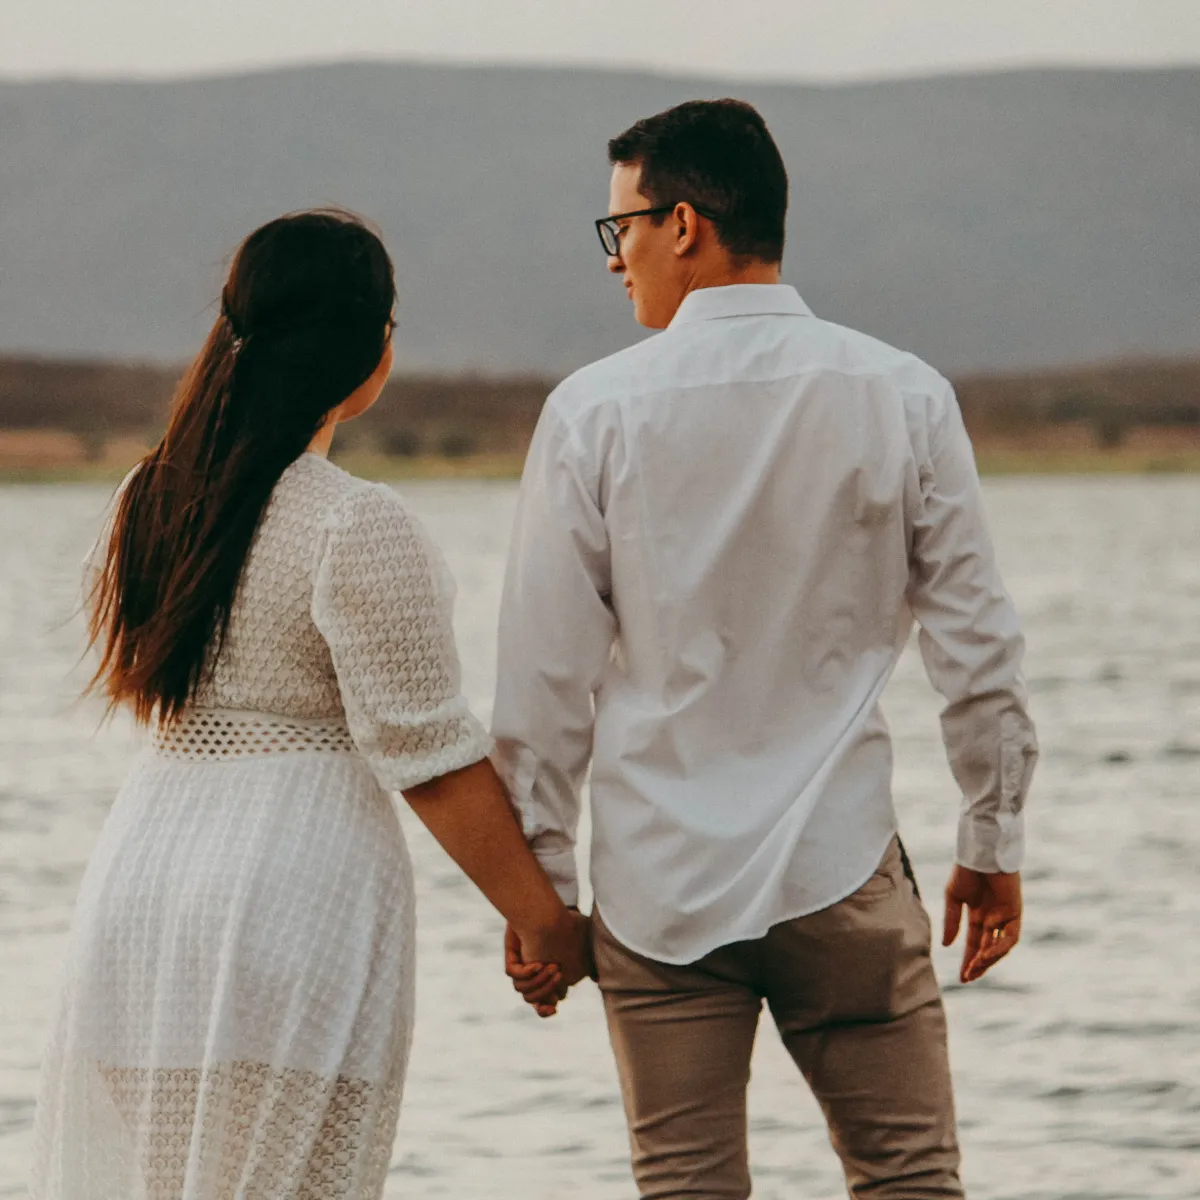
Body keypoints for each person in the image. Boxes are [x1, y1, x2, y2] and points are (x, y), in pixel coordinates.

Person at [494, 100, 1038, 1198]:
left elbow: (543, 683)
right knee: (910, 1182)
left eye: (623, 230)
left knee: (684, 1187)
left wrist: (541, 893)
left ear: (684, 223)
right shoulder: (903, 394)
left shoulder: (592, 414)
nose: (618, 261)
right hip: (839, 869)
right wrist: (992, 835)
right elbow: (977, 644)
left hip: (659, 890)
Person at [31, 209, 589, 1200]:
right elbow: (430, 758)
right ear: (369, 350)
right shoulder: (355, 523)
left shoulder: (145, 499)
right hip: (288, 897)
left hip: (142, 894)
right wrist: (543, 919)